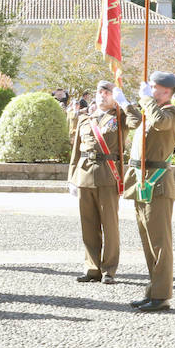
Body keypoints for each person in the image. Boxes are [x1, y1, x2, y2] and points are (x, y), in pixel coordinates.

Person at [118, 70, 175, 312]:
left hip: (158, 182)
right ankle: (153, 290)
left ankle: (162, 294)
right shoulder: (152, 110)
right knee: (148, 241)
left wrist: (146, 100)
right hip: (142, 180)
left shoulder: (170, 113)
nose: (149, 90)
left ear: (166, 91)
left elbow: (159, 122)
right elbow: (139, 122)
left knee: (160, 242)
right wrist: (125, 104)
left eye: (153, 88)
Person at [68, 79, 123, 284]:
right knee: (88, 225)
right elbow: (76, 152)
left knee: (110, 226)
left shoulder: (119, 117)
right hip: (84, 175)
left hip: (108, 176)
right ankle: (92, 268)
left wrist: (122, 103)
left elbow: (136, 121)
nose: (102, 95)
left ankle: (109, 269)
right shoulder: (85, 119)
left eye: (107, 92)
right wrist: (72, 178)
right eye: (100, 92)